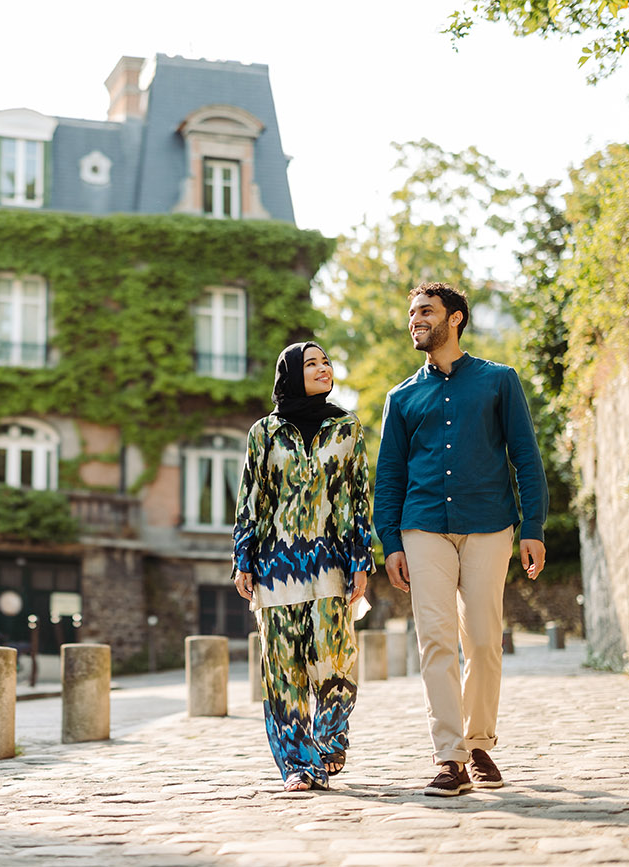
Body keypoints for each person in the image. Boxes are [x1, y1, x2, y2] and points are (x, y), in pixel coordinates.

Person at [374, 282, 548, 797]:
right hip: (422, 524)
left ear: (455, 318)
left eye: (425, 311)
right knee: (436, 641)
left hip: (489, 523)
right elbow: (389, 477)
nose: (415, 320)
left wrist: (532, 527)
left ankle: (478, 743)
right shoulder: (401, 397)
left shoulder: (499, 382)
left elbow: (527, 458)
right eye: (411, 313)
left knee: (482, 640)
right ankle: (449, 756)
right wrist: (391, 542)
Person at [232, 341, 374, 792]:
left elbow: (357, 500)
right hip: (275, 569)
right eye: (311, 363)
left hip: (331, 565)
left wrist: (360, 561)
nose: (323, 368)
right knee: (283, 673)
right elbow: (251, 499)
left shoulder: (346, 428)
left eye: (327, 361)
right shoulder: (265, 433)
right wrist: (243, 559)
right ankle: (299, 765)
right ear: (291, 373)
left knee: (335, 664)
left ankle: (331, 740)